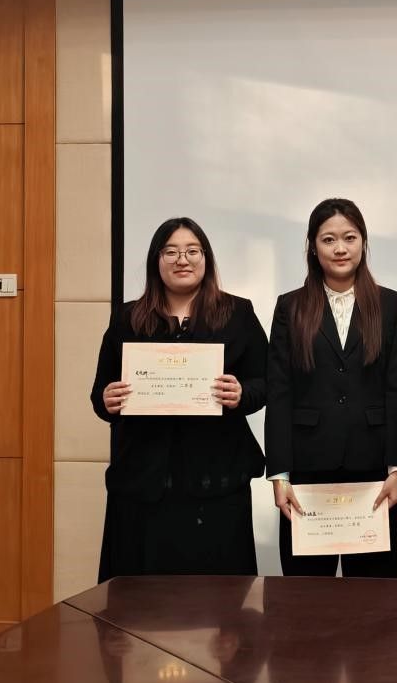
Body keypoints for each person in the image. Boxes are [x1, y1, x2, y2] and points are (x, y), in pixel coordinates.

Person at [91, 217, 267, 581]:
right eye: (170, 251)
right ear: (156, 261)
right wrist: (108, 399)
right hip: (144, 482)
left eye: (192, 251)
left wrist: (242, 393)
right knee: (141, 598)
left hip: (216, 480)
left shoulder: (238, 313)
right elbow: (100, 393)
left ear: (206, 258)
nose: (181, 259)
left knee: (216, 600)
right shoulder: (127, 317)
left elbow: (266, 383)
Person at [265, 198, 397, 578]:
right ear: (313, 246)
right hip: (306, 469)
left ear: (363, 242)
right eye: (328, 239)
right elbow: (279, 392)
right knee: (305, 596)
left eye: (350, 237)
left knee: (373, 594)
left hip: (374, 470)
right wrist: (279, 476)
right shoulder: (290, 307)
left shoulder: (391, 305)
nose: (340, 248)